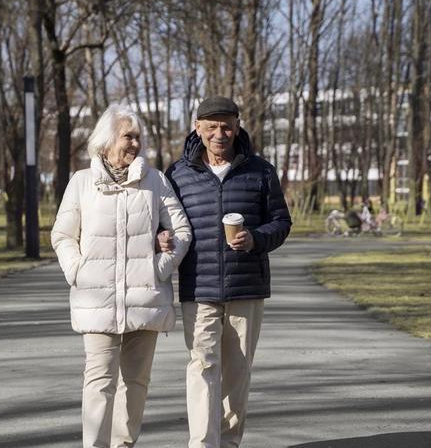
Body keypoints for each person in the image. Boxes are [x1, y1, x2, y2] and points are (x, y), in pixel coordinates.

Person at [52, 104, 192, 448]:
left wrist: (158, 267)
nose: (134, 144)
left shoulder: (155, 182)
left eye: (138, 138)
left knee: (136, 382)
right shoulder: (82, 183)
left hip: (145, 299)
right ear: (106, 139)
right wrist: (78, 271)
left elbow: (182, 232)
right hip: (96, 299)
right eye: (127, 136)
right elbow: (62, 235)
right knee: (99, 380)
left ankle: (123, 445)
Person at [164, 96, 292, 448]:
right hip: (198, 288)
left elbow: (281, 222)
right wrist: (162, 236)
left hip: (246, 288)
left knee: (236, 373)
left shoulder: (260, 170)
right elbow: (163, 224)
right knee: (202, 367)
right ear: (197, 128)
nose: (220, 133)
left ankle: (229, 443)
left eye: (227, 126)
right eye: (211, 126)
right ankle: (203, 444)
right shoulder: (177, 173)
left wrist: (255, 239)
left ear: (237, 126)